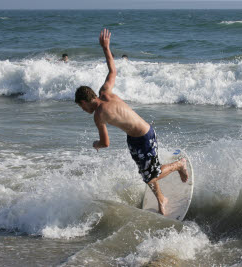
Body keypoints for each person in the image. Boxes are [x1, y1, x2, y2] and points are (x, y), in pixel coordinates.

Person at [75, 29, 188, 215]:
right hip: (133, 138)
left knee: (152, 174)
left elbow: (106, 143)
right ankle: (161, 199)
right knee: (146, 175)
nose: (83, 110)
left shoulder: (98, 115)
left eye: (81, 107)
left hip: (144, 135)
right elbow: (113, 69)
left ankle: (179, 165)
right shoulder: (105, 91)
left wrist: (95, 144)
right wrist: (106, 48)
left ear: (84, 102)